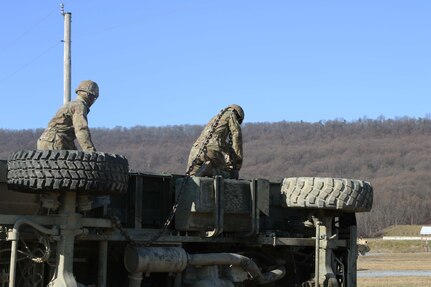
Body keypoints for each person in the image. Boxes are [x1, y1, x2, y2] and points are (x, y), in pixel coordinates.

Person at [37, 80, 99, 152]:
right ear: (89, 95)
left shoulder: (71, 104)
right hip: (56, 140)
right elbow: (81, 129)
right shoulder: (79, 105)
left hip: (47, 139)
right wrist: (90, 150)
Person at [187, 104, 244, 179]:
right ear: (238, 116)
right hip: (212, 150)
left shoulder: (215, 119)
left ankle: (204, 172)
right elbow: (236, 134)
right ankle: (210, 171)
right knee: (227, 175)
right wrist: (237, 160)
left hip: (195, 151)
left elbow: (218, 140)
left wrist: (229, 151)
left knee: (192, 178)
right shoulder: (231, 114)